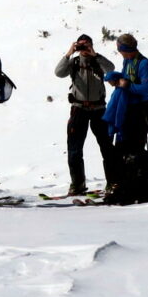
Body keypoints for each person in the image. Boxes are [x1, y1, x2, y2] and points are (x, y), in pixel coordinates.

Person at [54, 33, 115, 196]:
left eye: (86, 45)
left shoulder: (98, 62)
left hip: (99, 109)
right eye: (80, 45)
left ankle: (113, 182)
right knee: (74, 149)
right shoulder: (73, 62)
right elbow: (58, 72)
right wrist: (69, 53)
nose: (83, 49)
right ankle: (77, 184)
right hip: (78, 108)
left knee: (107, 147)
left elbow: (111, 69)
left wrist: (95, 55)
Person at [102, 33, 148, 203]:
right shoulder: (128, 61)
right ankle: (126, 185)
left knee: (134, 147)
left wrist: (127, 85)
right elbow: (128, 80)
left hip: (140, 109)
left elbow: (145, 88)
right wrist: (117, 79)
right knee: (122, 148)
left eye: (121, 50)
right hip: (128, 108)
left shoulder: (143, 63)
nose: (120, 54)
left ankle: (136, 188)